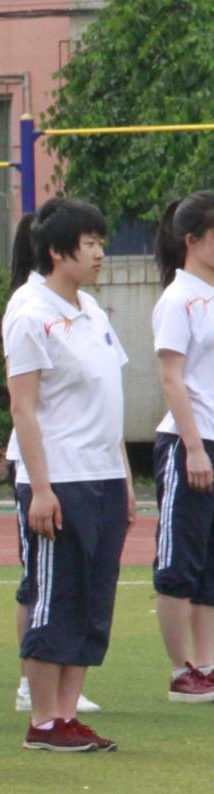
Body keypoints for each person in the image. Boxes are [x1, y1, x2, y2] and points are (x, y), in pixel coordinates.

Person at [2, 199, 128, 752]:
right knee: (55, 597)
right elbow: (23, 406)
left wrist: (124, 480)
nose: (100, 253)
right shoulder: (29, 311)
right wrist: (41, 488)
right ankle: (43, 719)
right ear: (57, 251)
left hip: (102, 474)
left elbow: (108, 396)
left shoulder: (91, 309)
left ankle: (67, 714)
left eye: (101, 242)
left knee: (93, 601)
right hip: (59, 475)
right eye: (90, 243)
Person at [152, 190, 214, 701]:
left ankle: (206, 664)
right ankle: (180, 670)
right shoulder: (178, 299)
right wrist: (193, 448)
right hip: (188, 439)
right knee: (179, 561)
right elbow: (172, 378)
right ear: (192, 240)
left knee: (210, 564)